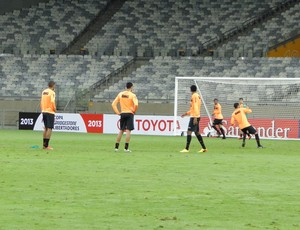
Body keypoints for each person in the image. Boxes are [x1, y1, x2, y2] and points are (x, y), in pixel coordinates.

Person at [112, 82, 138, 152]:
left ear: (126, 87)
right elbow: (136, 105)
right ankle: (126, 148)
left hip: (122, 113)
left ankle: (116, 147)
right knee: (128, 130)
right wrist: (134, 111)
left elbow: (113, 104)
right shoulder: (133, 95)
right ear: (131, 87)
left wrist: (118, 112)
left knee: (121, 130)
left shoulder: (120, 94)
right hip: (129, 113)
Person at [180, 85, 207, 153]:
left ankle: (186, 148)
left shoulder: (194, 96)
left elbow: (195, 107)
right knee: (197, 132)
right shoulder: (197, 95)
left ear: (190, 90)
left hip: (195, 116)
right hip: (196, 115)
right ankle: (204, 148)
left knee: (189, 131)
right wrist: (186, 114)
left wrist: (195, 117)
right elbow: (193, 108)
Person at [40, 81, 56, 150]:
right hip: (50, 111)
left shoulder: (44, 92)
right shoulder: (52, 92)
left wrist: (42, 109)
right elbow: (52, 101)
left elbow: (41, 101)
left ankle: (44, 145)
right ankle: (46, 146)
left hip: (44, 111)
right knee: (49, 128)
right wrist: (54, 109)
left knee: (45, 128)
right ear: (53, 86)